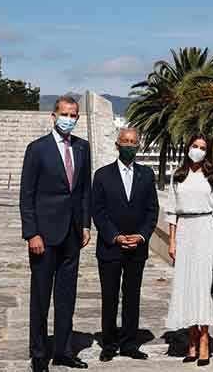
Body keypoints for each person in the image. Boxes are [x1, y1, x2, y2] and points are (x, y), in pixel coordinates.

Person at [19, 95, 92, 371]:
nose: (69, 119)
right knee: (40, 296)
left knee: (66, 296)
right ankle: (39, 353)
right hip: (44, 236)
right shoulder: (37, 149)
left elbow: (85, 190)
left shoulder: (83, 148)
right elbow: (27, 195)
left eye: (74, 115)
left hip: (72, 234)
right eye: (65, 114)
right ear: (54, 115)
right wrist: (32, 233)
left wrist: (86, 224)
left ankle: (63, 349)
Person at [90, 127, 158, 362]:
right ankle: (109, 343)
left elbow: (152, 210)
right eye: (125, 142)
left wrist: (141, 236)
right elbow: (97, 211)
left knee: (132, 296)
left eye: (134, 142)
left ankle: (129, 343)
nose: (129, 146)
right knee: (109, 297)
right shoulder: (102, 175)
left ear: (138, 146)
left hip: (137, 248)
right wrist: (115, 236)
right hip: (110, 247)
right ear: (117, 145)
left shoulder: (147, 175)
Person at [164, 135, 213, 367]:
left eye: (202, 148)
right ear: (188, 148)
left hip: (205, 230)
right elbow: (171, 211)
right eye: (195, 146)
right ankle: (190, 340)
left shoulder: (211, 176)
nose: (198, 151)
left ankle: (203, 341)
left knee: (202, 286)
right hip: (184, 231)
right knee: (185, 286)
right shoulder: (178, 176)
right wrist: (172, 241)